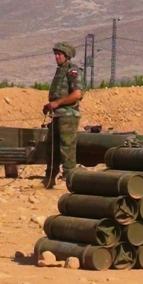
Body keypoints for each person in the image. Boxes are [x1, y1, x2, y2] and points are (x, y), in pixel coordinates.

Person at [42, 42, 83, 189]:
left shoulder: (73, 71)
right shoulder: (60, 71)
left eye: (59, 54)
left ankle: (69, 178)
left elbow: (77, 94)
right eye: (55, 54)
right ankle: (50, 176)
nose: (56, 56)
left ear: (67, 56)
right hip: (57, 115)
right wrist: (50, 106)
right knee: (51, 147)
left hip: (68, 115)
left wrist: (57, 103)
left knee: (67, 147)